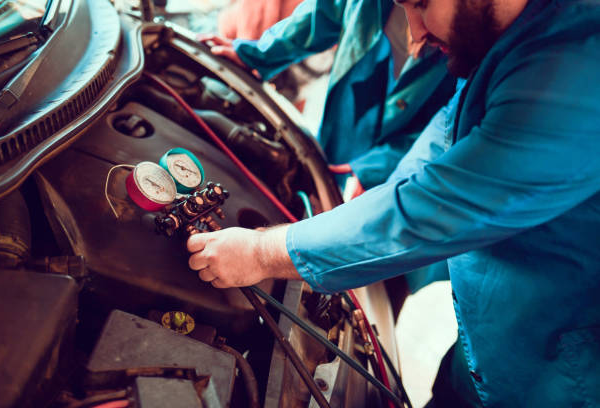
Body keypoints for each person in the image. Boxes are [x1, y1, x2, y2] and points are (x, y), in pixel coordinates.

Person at [188, 0, 600, 405]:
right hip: (487, 344)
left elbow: (424, 215)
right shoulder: (509, 33)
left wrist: (262, 252)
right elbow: (445, 137)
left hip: (556, 374)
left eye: (421, 4)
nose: (415, 33)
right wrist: (360, 209)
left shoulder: (575, 75)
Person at [200, 0, 456, 192]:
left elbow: (455, 123)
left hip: (412, 167)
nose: (417, 31)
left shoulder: (476, 40)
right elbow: (321, 14)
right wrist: (258, 54)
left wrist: (380, 167)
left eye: (422, 4)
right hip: (344, 133)